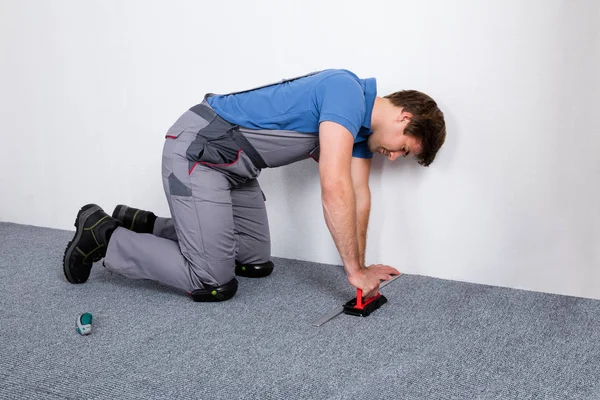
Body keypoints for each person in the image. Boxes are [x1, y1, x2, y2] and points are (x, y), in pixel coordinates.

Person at [62, 69, 446, 302]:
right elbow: (335, 187)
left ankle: (143, 224)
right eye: (404, 150)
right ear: (404, 118)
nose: (393, 158)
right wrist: (353, 274)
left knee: (254, 262)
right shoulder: (345, 91)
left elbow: (360, 197)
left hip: (236, 169)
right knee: (212, 280)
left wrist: (362, 267)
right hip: (198, 151)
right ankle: (105, 236)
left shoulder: (360, 131)